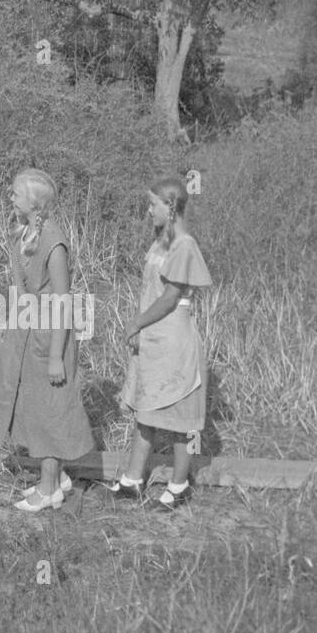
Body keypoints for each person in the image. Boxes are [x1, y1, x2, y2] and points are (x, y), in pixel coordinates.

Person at [0, 169, 94, 512]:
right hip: (29, 328)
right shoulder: (21, 232)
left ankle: (49, 490)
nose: (9, 195)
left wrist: (56, 357)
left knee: (52, 409)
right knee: (32, 403)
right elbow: (19, 287)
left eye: (16, 192)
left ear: (35, 203)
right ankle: (55, 475)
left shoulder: (54, 242)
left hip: (52, 334)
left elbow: (63, 302)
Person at [108, 177, 212, 510]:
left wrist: (136, 323)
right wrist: (141, 329)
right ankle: (133, 479)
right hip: (155, 339)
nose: (148, 210)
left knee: (178, 421)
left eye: (153, 204)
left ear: (169, 207)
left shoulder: (184, 246)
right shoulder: (162, 242)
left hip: (174, 340)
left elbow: (170, 298)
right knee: (147, 411)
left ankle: (179, 485)